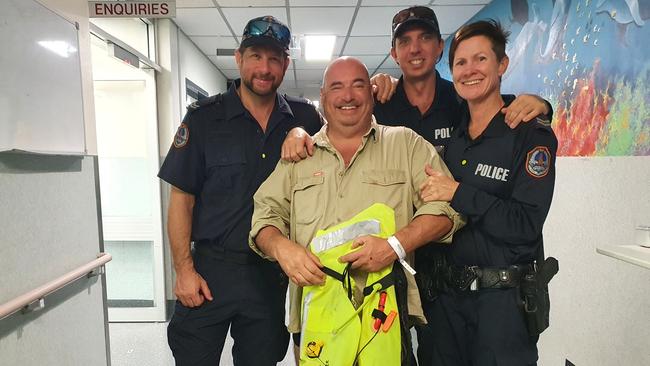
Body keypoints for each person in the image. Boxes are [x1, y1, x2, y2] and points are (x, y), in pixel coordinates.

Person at [249, 56, 464, 365]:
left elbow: (447, 209)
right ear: (323, 98)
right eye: (336, 87)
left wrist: (395, 246)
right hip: (317, 316)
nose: (347, 95)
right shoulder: (298, 156)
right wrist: (281, 248)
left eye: (357, 85)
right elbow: (264, 215)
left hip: (384, 317)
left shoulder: (406, 145)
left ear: (371, 94)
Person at [157, 15, 322, 366]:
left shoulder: (305, 119)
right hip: (210, 272)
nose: (264, 67)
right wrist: (183, 271)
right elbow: (181, 202)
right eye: (255, 56)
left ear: (285, 64)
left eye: (274, 58)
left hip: (271, 275)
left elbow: (351, 125)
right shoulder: (203, 120)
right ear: (239, 58)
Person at [417, 19, 557, 365]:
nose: (470, 70)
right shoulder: (452, 134)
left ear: (502, 65)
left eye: (480, 59)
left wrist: (457, 192)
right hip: (446, 306)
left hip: (502, 309)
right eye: (460, 63)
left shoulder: (529, 134)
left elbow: (525, 225)